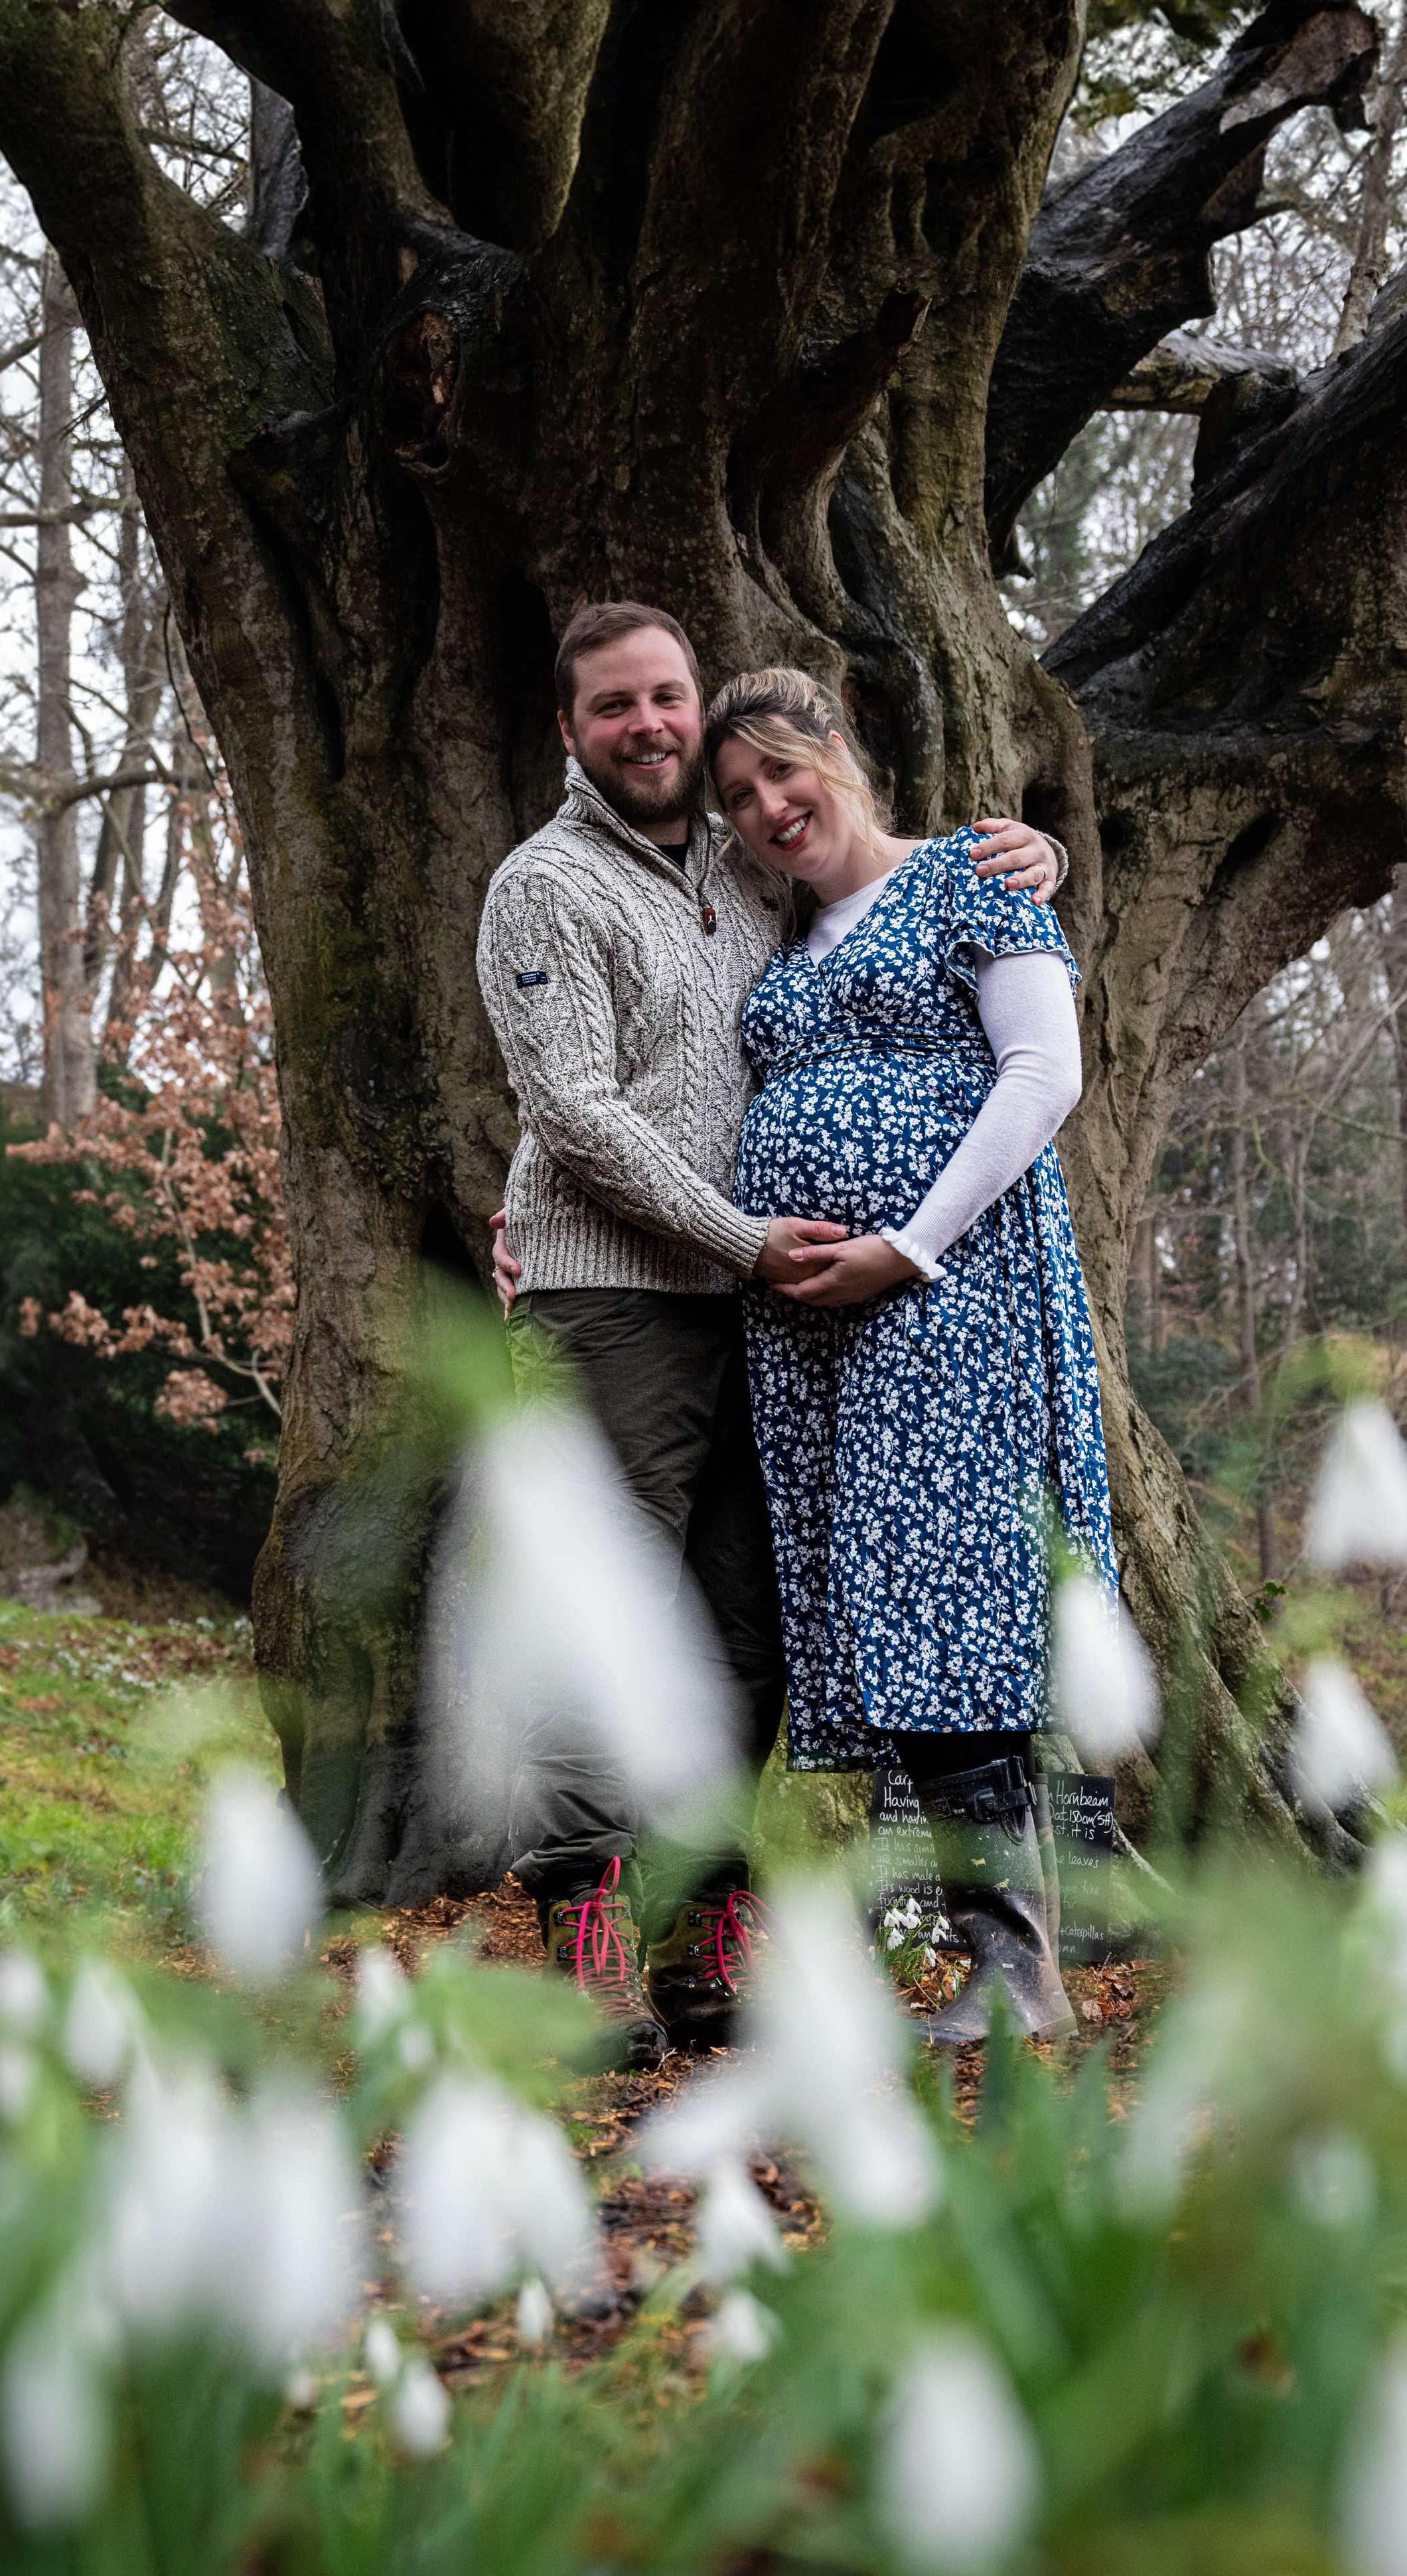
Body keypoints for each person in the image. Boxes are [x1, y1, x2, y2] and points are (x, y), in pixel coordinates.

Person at [477, 601, 1061, 2054]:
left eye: (667, 696)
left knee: (745, 1635)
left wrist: (1027, 857)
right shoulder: (542, 886)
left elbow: (902, 909)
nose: (650, 726)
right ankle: (588, 1934)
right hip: (616, 1300)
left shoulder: (751, 875)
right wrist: (737, 1234)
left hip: (777, 1326)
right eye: (614, 705)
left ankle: (702, 1939)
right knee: (599, 1609)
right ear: (571, 731)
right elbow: (574, 1109)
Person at [705, 666, 1118, 2044]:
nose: (769, 807)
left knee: (953, 1602)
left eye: (783, 769)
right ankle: (988, 1953)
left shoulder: (971, 878)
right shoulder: (778, 935)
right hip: (811, 1332)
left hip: (952, 1293)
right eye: (740, 796)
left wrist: (911, 1247)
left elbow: (1045, 1074)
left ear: (840, 748)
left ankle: (1020, 1966)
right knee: (891, 1607)